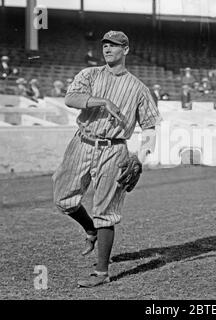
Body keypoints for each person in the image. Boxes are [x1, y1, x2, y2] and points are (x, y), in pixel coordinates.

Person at [52, 30, 162, 288]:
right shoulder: (90, 74)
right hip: (82, 142)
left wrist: (140, 156)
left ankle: (102, 272)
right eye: (105, 44)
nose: (108, 48)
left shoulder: (139, 88)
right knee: (62, 198)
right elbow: (70, 98)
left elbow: (150, 127)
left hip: (114, 149)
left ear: (126, 49)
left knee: (106, 211)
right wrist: (102, 101)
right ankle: (89, 230)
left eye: (114, 45)